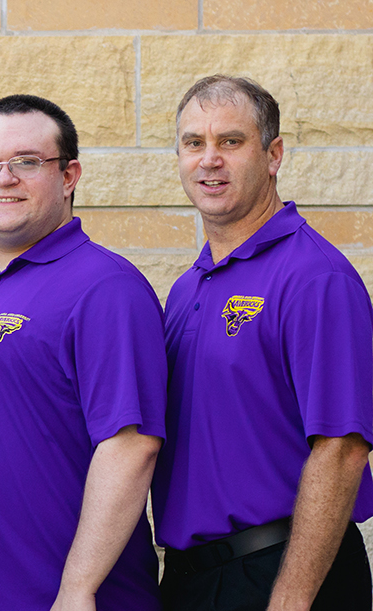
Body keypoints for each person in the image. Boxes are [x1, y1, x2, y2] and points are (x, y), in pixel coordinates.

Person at [0, 95, 166, 610]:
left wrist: (78, 589)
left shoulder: (105, 287)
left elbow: (131, 444)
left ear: (69, 175)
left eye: (27, 162)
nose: (2, 178)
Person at [153, 75, 373, 610]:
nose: (209, 160)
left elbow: (342, 447)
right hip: (193, 580)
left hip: (282, 574)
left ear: (273, 155)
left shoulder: (314, 277)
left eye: (231, 141)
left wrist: (290, 601)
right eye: (194, 143)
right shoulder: (188, 288)